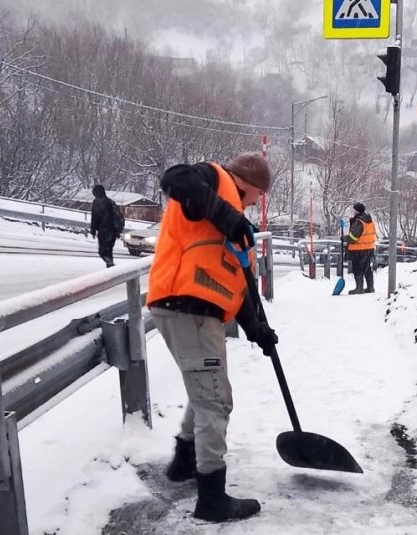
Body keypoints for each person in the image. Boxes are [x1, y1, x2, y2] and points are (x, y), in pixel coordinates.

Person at [147, 152, 278, 523]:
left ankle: (184, 464)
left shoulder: (235, 224)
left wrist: (259, 333)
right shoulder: (210, 181)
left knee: (204, 392)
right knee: (216, 402)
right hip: (188, 308)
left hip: (193, 310)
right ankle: (211, 499)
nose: (254, 204)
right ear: (249, 185)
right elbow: (173, 177)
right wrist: (226, 214)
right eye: (257, 196)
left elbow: (238, 286)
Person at [342, 202, 376, 294]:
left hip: (359, 249)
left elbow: (353, 237)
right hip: (369, 248)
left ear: (357, 210)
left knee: (357, 268)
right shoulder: (369, 221)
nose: (353, 211)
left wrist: (344, 238)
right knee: (367, 268)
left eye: (354, 209)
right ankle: (370, 287)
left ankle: (359, 288)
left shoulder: (359, 221)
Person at [90, 184, 123, 268]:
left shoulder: (97, 202)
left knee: (102, 252)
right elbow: (118, 216)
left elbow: (94, 217)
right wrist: (118, 231)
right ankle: (110, 269)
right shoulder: (110, 202)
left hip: (104, 231)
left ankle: (111, 266)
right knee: (109, 251)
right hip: (113, 232)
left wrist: (93, 231)